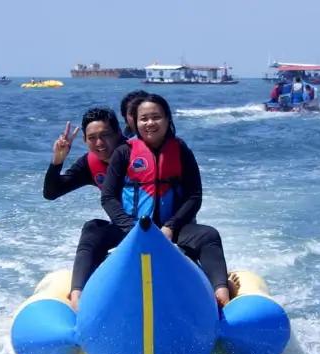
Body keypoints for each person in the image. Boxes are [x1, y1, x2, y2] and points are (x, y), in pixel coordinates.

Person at [98, 93, 231, 308]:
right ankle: (79, 296)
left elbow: (194, 195)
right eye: (144, 118)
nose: (150, 123)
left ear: (167, 119)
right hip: (130, 229)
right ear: (135, 122)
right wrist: (131, 228)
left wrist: (170, 227)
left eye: (156, 117)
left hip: (174, 230)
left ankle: (222, 298)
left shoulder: (180, 151)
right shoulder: (124, 152)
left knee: (209, 235)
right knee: (92, 231)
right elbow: (108, 197)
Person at [42, 107, 126, 310]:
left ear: (118, 133)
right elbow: (52, 193)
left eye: (105, 135)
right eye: (92, 137)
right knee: (93, 228)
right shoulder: (90, 164)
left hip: (158, 227)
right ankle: (78, 297)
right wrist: (57, 161)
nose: (99, 143)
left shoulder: (139, 154)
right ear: (85, 141)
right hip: (123, 229)